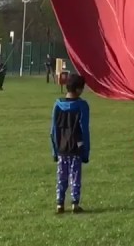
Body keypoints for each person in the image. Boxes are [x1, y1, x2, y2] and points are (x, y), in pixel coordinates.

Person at [50, 74, 91, 213]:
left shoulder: (57, 104)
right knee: (75, 175)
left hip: (61, 147)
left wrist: (54, 150)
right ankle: (75, 203)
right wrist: (86, 151)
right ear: (79, 89)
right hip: (76, 147)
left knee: (61, 175)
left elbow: (53, 129)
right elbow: (84, 130)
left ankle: (60, 203)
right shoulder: (82, 106)